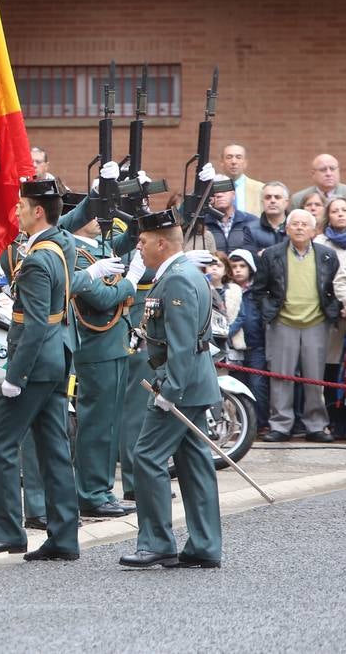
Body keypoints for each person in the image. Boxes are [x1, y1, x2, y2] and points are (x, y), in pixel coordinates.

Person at [0, 178, 106, 561]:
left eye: (22, 206)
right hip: (57, 358)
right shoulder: (58, 245)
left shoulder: (38, 259)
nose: (17, 212)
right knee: (53, 450)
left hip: (35, 362)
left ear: (38, 211)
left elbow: (33, 324)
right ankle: (63, 537)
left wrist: (14, 377)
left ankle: (7, 532)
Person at [119, 208, 223, 569]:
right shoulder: (186, 274)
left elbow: (181, 344)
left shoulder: (177, 279)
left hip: (180, 385)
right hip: (194, 384)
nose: (139, 248)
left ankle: (156, 542)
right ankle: (205, 545)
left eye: (144, 242)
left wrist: (170, 391)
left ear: (162, 243)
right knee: (195, 465)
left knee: (146, 457)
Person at [58, 163, 144, 520]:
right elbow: (102, 298)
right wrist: (130, 282)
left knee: (108, 422)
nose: (99, 218)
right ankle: (92, 491)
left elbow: (127, 241)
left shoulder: (97, 243)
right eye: (92, 213)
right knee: (97, 423)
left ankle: (101, 487)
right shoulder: (74, 249)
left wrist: (135, 207)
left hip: (114, 342)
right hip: (96, 344)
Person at [250, 209, 341, 443]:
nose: (300, 228)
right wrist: (268, 312)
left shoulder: (327, 255)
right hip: (282, 322)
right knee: (281, 376)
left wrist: (331, 310)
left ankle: (316, 425)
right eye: (295, 224)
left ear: (314, 230)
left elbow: (335, 287)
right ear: (287, 229)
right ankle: (280, 425)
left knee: (315, 377)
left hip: (317, 322)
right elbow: (258, 290)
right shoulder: (271, 255)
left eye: (305, 224)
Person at [316, 197, 346, 439]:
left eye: (344, 210)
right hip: (332, 315)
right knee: (335, 373)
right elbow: (334, 281)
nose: (340, 214)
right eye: (335, 210)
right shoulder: (320, 242)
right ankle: (338, 424)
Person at [227, 249, 269, 433]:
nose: (238, 270)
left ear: (251, 268)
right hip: (233, 346)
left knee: (257, 384)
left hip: (256, 344)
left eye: (242, 266)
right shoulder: (227, 290)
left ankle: (260, 422)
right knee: (238, 385)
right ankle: (242, 422)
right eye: (234, 266)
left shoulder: (257, 291)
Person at [203, 188, 259, 255]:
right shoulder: (201, 223)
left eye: (224, 191)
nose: (219, 195)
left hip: (241, 265)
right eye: (213, 192)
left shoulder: (252, 221)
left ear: (233, 195)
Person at [220, 144, 263, 215]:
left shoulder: (260, 189)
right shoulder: (211, 189)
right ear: (222, 163)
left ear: (245, 163)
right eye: (229, 157)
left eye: (238, 157)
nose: (234, 161)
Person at [251, 182, 290, 251]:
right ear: (262, 202)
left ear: (286, 202)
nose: (272, 201)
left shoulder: (296, 227)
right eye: (268, 197)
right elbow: (249, 257)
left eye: (277, 197)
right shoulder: (250, 229)